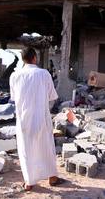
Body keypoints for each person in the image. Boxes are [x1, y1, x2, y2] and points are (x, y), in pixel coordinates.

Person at [9, 47, 65, 191]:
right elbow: (52, 96)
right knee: (46, 147)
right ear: (35, 57)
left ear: (23, 59)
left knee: (26, 149)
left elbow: (15, 98)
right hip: (41, 117)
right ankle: (52, 177)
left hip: (23, 119)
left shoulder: (15, 76)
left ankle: (29, 181)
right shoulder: (44, 73)